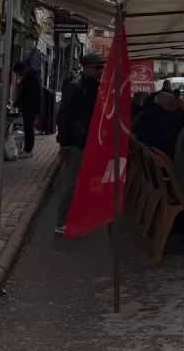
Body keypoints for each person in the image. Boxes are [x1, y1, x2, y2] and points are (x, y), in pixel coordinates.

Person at [54, 53, 105, 234]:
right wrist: (65, 141)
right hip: (78, 140)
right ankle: (62, 220)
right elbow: (64, 115)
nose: (100, 71)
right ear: (86, 67)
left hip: (90, 140)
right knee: (72, 181)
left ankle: (77, 215)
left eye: (101, 68)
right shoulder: (75, 87)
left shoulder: (96, 87)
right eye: (97, 68)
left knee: (83, 180)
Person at [13, 61, 42, 155]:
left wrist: (18, 102)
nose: (18, 74)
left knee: (28, 127)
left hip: (30, 107)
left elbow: (27, 94)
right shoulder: (31, 77)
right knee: (28, 127)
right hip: (31, 106)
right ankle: (28, 148)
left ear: (22, 70)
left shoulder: (30, 79)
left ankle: (28, 149)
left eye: (18, 72)